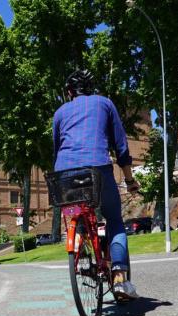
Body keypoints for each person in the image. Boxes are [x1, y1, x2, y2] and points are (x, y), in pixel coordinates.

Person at [53, 69, 140, 300]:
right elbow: (120, 146)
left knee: (78, 212)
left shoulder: (60, 112)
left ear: (69, 92)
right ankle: (120, 278)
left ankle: (80, 240)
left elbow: (57, 148)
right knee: (114, 219)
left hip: (65, 174)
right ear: (90, 89)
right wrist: (129, 180)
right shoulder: (105, 103)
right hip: (98, 170)